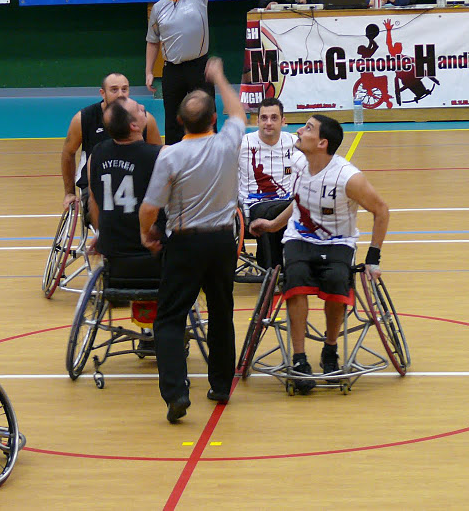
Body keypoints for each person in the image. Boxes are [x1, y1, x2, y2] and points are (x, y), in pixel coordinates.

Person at [249, 115, 389, 393]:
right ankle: (299, 359)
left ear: (322, 143)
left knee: (337, 281)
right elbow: (297, 202)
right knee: (296, 280)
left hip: (338, 243)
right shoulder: (300, 164)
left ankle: (330, 349)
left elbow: (381, 211)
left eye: (308, 128)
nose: (299, 130)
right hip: (299, 238)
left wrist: (373, 257)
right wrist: (273, 225)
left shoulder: (348, 177)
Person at [139, 57, 245, 422]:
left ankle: (176, 393)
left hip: (184, 244)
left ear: (180, 121)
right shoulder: (229, 142)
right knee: (221, 311)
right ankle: (220, 385)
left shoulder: (170, 156)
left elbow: (149, 208)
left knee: (169, 319)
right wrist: (218, 76)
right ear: (213, 119)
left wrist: (147, 234)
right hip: (221, 243)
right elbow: (238, 112)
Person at [145, 0, 214, 146]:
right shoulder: (158, 8)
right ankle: (174, 156)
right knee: (173, 119)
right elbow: (152, 42)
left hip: (199, 67)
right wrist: (148, 71)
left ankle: (210, 150)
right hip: (172, 70)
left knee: (206, 113)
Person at [87, 98, 164, 294]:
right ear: (134, 125)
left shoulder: (96, 154)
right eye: (139, 109)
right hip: (154, 254)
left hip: (115, 257)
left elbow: (94, 201)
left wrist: (100, 234)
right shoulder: (161, 155)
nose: (143, 108)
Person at [61, 73, 161, 219]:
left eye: (124, 89)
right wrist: (69, 193)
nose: (120, 94)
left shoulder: (146, 119)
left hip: (135, 182)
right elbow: (68, 153)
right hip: (96, 186)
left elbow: (159, 159)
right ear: (103, 93)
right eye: (114, 90)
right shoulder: (83, 119)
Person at [237, 97, 304, 269]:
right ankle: (273, 270)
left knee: (296, 207)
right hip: (253, 206)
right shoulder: (242, 144)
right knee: (275, 213)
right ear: (257, 120)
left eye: (274, 118)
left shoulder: (295, 143)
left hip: (288, 205)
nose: (268, 123)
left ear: (283, 121)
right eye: (264, 118)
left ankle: (277, 270)